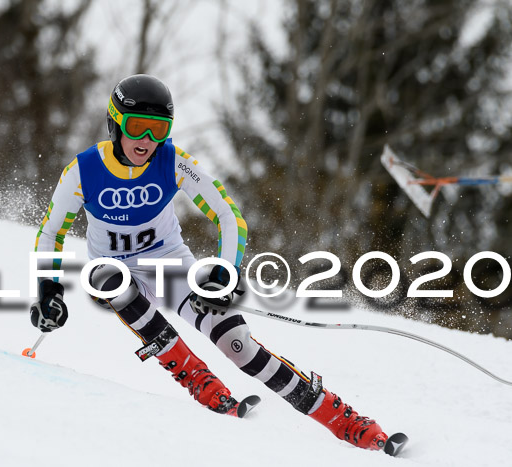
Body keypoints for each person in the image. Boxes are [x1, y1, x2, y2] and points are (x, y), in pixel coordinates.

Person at [30, 74, 389, 450]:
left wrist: (223, 271)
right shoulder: (84, 170)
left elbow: (228, 214)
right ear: (115, 122)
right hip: (113, 267)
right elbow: (51, 232)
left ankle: (337, 416)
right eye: (138, 128)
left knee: (238, 344)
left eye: (159, 130)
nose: (147, 141)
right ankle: (199, 382)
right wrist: (48, 289)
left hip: (169, 266)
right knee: (106, 277)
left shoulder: (171, 161)